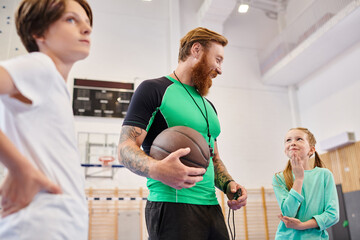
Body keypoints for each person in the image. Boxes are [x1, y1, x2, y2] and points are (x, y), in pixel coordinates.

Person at [118, 27, 247, 240]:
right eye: (217, 59)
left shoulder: (209, 107)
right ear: (196, 50)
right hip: (172, 207)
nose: (220, 69)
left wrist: (228, 184)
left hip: (211, 207)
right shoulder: (154, 89)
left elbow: (213, 158)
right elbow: (124, 148)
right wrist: (157, 168)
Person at [0, 0, 92, 239]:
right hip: (41, 224)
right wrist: (20, 167)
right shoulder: (41, 66)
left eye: (86, 21)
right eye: (71, 19)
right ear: (38, 32)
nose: (86, 28)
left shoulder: (50, 83)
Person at [272, 127, 339, 240]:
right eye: (288, 140)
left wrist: (303, 226)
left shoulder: (324, 175)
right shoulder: (279, 178)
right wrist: (298, 179)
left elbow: (333, 215)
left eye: (299, 139)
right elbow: (289, 213)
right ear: (285, 150)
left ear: (311, 150)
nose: (293, 143)